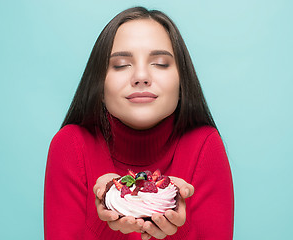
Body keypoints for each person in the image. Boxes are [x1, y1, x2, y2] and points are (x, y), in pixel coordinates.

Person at [44, 6, 234, 240]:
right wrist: (110, 209)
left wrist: (175, 225)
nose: (141, 76)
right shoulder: (70, 145)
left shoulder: (205, 145)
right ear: (100, 87)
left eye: (161, 63)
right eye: (122, 64)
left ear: (182, 84)